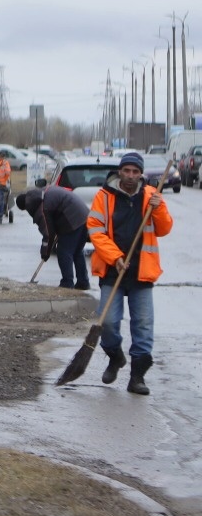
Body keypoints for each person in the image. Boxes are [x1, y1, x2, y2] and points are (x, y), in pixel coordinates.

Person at [87, 152, 173, 395]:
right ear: (120, 172)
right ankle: (115, 356)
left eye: (136, 172)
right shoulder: (103, 197)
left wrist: (157, 209)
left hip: (141, 271)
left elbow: (164, 228)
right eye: (127, 171)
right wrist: (116, 257)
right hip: (113, 270)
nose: (131, 176)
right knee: (110, 323)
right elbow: (95, 231)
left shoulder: (151, 196)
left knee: (143, 325)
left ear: (141, 174)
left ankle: (137, 377)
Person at [15, 187, 91, 290]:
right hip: (85, 215)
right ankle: (83, 282)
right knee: (77, 251)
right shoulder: (41, 194)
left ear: (26, 206)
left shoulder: (41, 208)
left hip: (72, 218)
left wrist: (45, 252)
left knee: (64, 251)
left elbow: (48, 233)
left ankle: (67, 283)